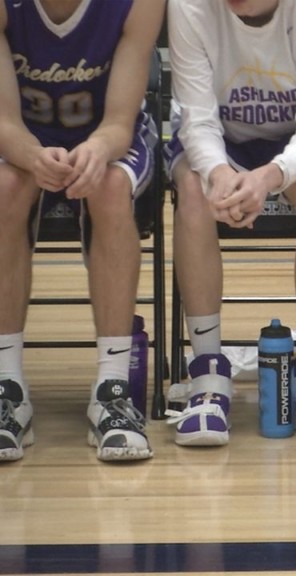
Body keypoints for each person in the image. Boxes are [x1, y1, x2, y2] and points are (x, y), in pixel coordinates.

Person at [165, 0, 296, 447]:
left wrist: (270, 177)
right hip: (220, 139)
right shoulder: (189, 5)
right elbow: (196, 121)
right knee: (193, 190)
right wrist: (219, 174)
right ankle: (207, 373)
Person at [0, 0, 164, 463]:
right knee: (5, 188)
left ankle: (113, 391)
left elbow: (119, 123)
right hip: (22, 135)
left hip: (104, 136)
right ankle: (7, 388)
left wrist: (97, 149)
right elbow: (5, 123)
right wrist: (32, 155)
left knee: (110, 188)